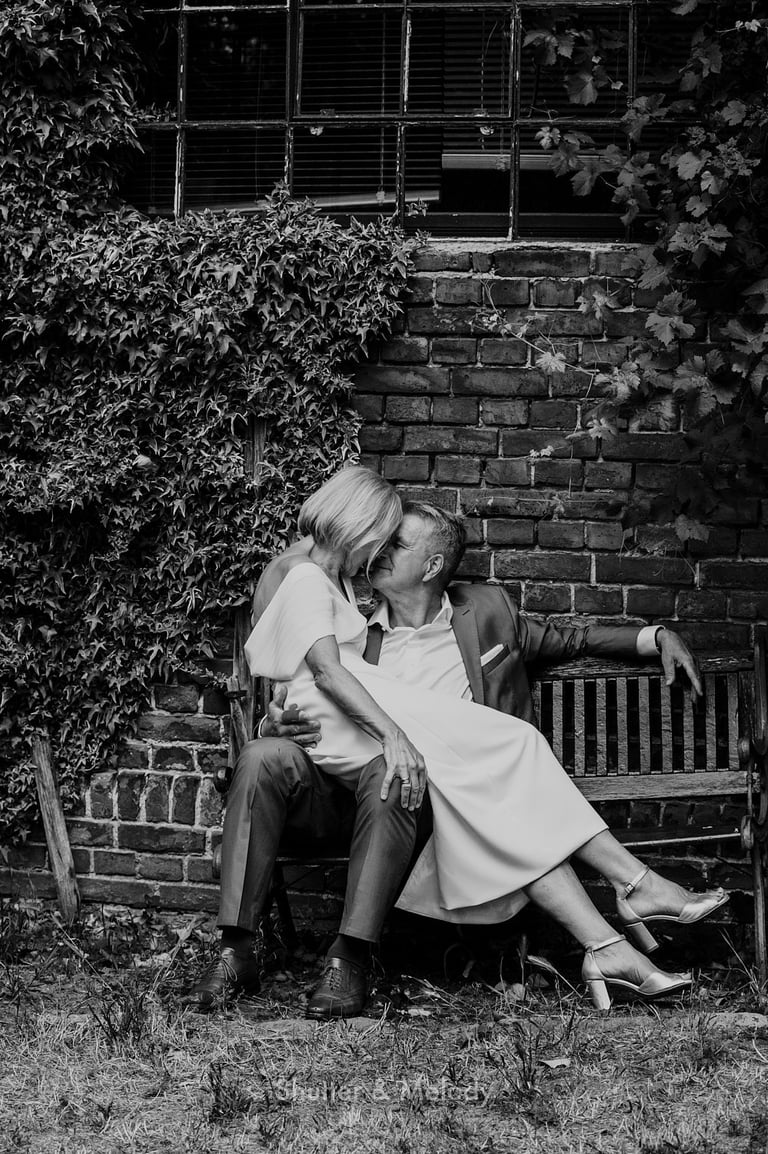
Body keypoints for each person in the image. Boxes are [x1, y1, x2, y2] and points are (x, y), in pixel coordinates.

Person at [184, 467, 726, 1016]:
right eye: (383, 536)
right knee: (513, 746)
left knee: (503, 769)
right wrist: (294, 724)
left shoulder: (480, 613)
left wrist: (654, 635)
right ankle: (632, 893)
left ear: (433, 565)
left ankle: (611, 939)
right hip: (369, 782)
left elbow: (572, 639)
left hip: (431, 795)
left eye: (397, 542)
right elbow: (313, 673)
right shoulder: (339, 603)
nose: (381, 553)